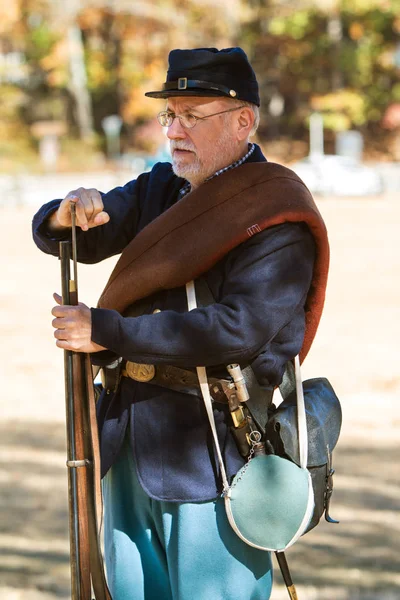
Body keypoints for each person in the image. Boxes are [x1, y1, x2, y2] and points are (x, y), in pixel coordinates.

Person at [32, 47, 329, 600]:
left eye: (193, 115)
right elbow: (78, 234)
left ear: (244, 121)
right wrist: (65, 212)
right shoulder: (161, 188)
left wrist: (108, 331)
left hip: (213, 451)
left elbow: (236, 328)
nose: (174, 131)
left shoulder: (275, 210)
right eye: (170, 115)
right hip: (130, 440)